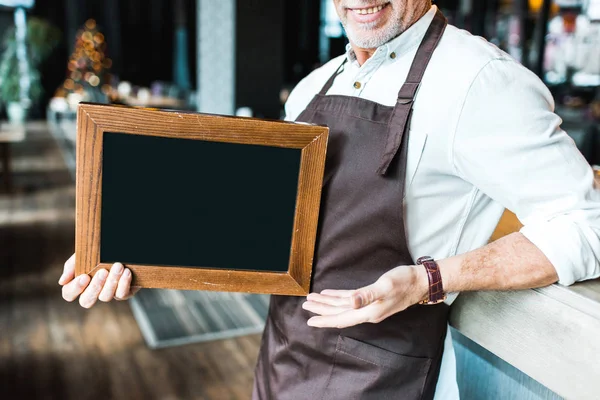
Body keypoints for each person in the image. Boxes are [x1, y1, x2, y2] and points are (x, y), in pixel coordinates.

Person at [59, 1, 600, 399]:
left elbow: (586, 224)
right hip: (282, 364)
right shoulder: (312, 88)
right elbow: (251, 238)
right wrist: (124, 252)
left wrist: (428, 279)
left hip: (380, 380)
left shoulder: (480, 82)